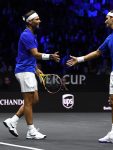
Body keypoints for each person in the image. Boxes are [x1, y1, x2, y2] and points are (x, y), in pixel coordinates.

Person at [66, 10, 113, 143]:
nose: (105, 20)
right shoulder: (109, 38)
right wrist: (79, 59)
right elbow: (97, 53)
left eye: (107, 18)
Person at [3, 10, 60, 139]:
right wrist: (50, 56)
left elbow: (28, 56)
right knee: (28, 102)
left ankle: (13, 121)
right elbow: (35, 54)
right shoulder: (27, 35)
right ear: (30, 22)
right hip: (24, 71)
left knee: (34, 99)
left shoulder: (31, 35)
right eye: (37, 19)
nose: (39, 21)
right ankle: (31, 131)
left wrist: (35, 68)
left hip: (28, 69)